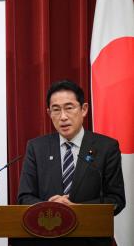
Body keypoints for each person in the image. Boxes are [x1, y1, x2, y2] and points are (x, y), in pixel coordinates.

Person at [16, 80, 125, 246]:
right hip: (46, 238)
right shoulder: (36, 148)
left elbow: (116, 199)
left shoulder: (106, 147)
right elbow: (24, 198)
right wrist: (48, 207)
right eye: (56, 110)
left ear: (84, 109)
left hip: (90, 240)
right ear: (49, 113)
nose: (63, 117)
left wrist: (75, 209)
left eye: (69, 107)